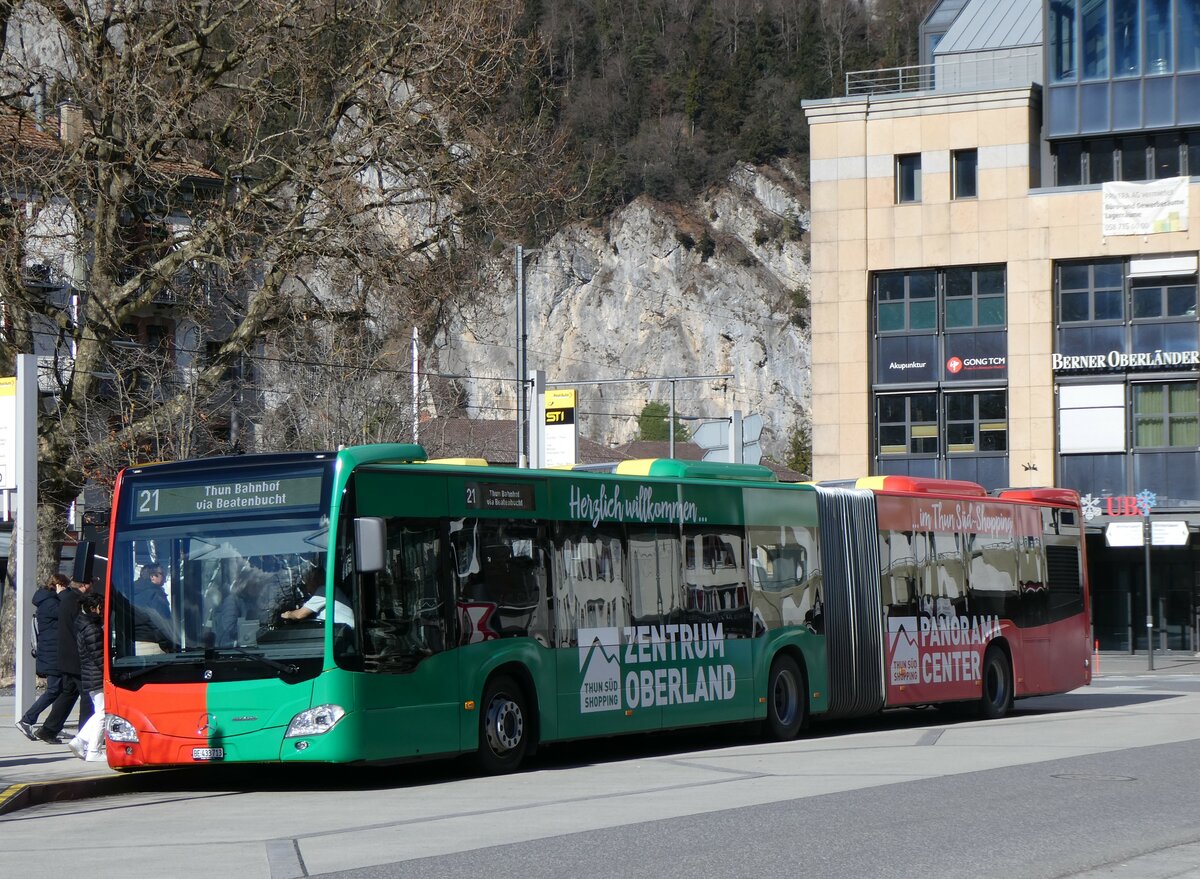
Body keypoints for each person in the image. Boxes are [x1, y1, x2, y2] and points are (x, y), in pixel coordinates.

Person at [35, 578, 93, 744]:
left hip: (65, 655)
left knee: (69, 692)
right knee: (87, 695)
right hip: (77, 656)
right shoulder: (77, 602)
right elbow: (82, 628)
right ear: (85, 585)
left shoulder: (65, 600)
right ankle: (85, 735)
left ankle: (49, 729)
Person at [15, 574, 68, 740]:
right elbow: (66, 613)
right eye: (65, 586)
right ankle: (28, 720)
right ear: (58, 585)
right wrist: (63, 595)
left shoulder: (48, 601)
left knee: (60, 691)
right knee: (54, 690)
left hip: (52, 653)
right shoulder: (51, 603)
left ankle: (52, 726)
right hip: (53, 654)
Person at [67, 592, 107, 761]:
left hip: (90, 675)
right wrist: (109, 674)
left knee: (100, 711)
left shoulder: (84, 625)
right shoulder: (92, 629)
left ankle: (80, 741)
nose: (103, 611)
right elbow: (99, 657)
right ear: (92, 609)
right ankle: (93, 750)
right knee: (103, 713)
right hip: (97, 675)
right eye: (100, 608)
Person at [281, 567, 353, 627]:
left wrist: (287, 614)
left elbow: (300, 614)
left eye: (307, 583)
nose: (307, 589)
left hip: (343, 633)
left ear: (315, 581)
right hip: (340, 630)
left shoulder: (325, 590)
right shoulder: (330, 590)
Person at [131, 564, 173, 654]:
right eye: (162, 573)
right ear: (152, 577)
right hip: (153, 645)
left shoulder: (132, 593)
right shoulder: (155, 594)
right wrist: (168, 646)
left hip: (135, 646)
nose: (165, 576)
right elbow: (163, 623)